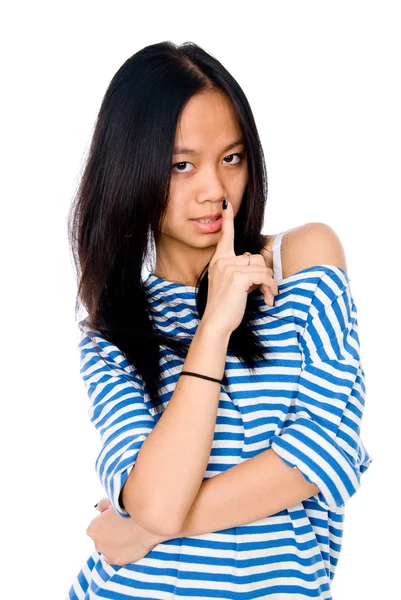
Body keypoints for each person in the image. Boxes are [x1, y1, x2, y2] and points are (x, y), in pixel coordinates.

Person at [66, 40, 372, 600]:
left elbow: (322, 455)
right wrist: (212, 330)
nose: (215, 190)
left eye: (231, 158)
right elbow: (155, 498)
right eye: (182, 166)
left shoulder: (303, 261)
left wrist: (144, 529)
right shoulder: (112, 333)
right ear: (132, 170)